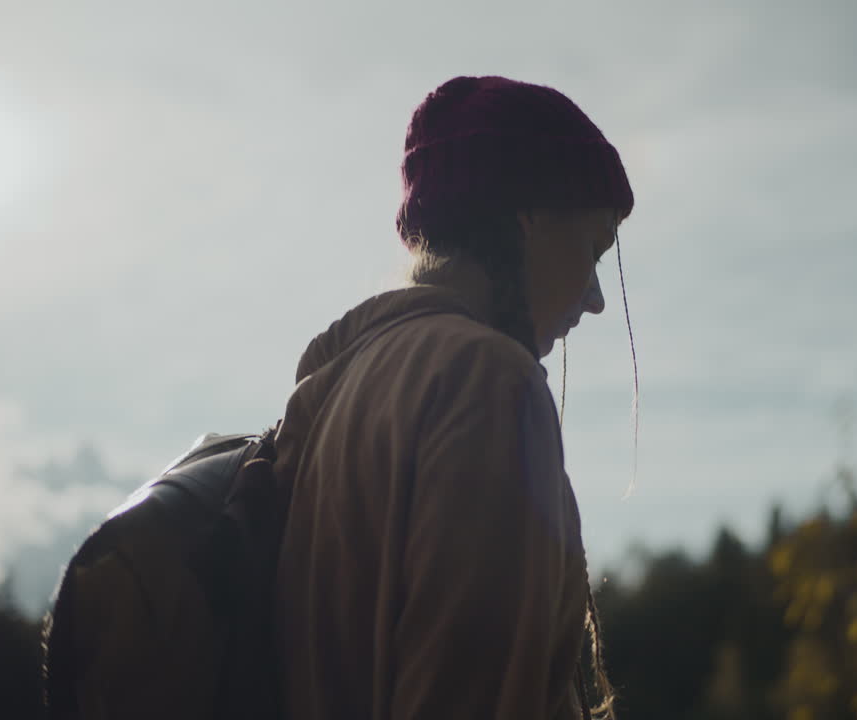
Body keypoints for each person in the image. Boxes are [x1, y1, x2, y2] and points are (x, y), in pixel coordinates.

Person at [271, 75, 634, 720]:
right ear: (528, 215)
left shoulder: (339, 380)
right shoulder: (490, 382)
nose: (596, 298)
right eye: (594, 249)